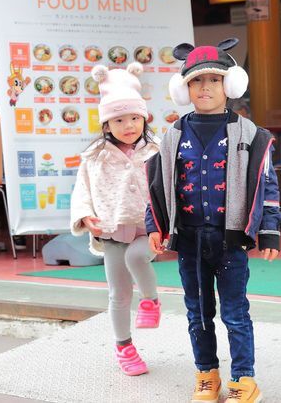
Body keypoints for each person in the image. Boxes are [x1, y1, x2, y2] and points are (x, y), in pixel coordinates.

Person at [145, 38, 281, 403]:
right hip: (188, 239)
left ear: (231, 85)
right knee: (198, 313)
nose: (205, 88)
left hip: (230, 240)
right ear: (183, 88)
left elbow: (267, 184)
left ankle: (244, 379)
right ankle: (207, 374)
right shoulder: (173, 135)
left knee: (235, 314)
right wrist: (153, 226)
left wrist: (269, 230)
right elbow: (157, 186)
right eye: (195, 81)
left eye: (214, 80)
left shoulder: (250, 134)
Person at [70, 62, 161, 377]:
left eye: (135, 118)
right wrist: (85, 215)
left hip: (147, 228)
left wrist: (167, 220)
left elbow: (169, 184)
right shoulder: (95, 155)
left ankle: (150, 300)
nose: (129, 125)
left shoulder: (154, 150)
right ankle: (124, 347)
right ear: (107, 124)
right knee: (118, 293)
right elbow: (82, 189)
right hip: (111, 229)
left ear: (143, 118)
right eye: (119, 120)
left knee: (138, 257)